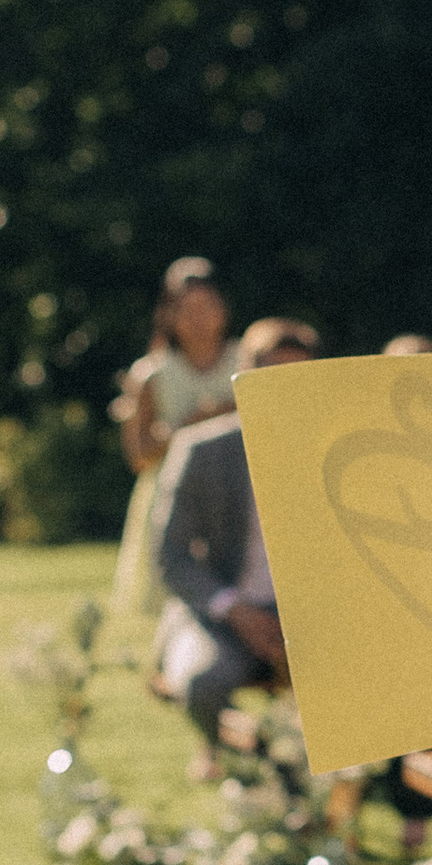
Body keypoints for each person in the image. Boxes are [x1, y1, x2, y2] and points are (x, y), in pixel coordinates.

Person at [151, 317, 322, 740]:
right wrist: (234, 609)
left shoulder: (336, 455)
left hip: (313, 621)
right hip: (223, 613)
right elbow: (168, 556)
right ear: (243, 382)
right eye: (271, 379)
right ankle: (241, 766)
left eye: (297, 379)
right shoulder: (201, 450)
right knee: (201, 682)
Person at [110, 258, 239, 626]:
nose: (198, 320)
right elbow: (138, 456)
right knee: (175, 602)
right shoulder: (151, 373)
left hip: (236, 496)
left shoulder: (245, 359)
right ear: (169, 315)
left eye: (207, 308)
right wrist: (188, 427)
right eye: (186, 310)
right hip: (175, 496)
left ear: (223, 309)